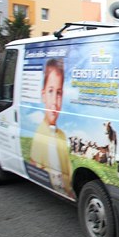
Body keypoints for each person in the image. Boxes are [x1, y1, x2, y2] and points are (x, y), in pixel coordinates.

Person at [29, 58, 73, 198]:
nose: (54, 101)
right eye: (50, 91)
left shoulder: (62, 136)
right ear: (43, 95)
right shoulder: (39, 134)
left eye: (59, 93)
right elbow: (36, 168)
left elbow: (69, 174)